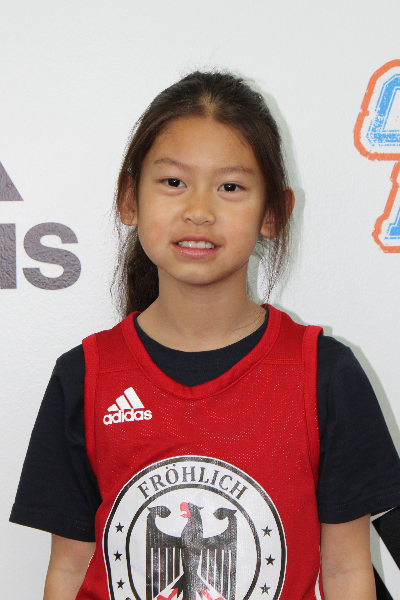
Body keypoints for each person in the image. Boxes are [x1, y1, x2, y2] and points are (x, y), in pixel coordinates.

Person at [10, 71, 400, 600]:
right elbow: (68, 568)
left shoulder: (324, 374)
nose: (199, 211)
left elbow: (346, 571)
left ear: (273, 213)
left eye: (230, 187)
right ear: (129, 199)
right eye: (173, 182)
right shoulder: (84, 376)